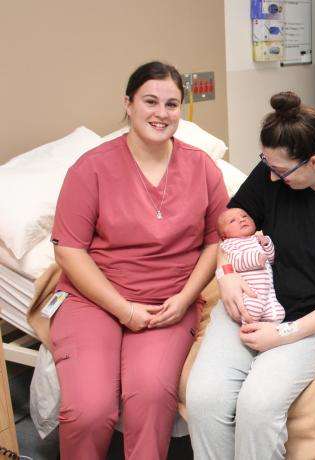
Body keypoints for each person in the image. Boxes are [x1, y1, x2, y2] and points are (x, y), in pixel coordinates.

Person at [186, 91, 315, 459]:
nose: (273, 178)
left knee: (258, 406)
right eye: (267, 165)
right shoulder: (270, 174)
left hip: (314, 322)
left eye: (281, 170)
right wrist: (226, 274)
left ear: (314, 162)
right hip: (250, 303)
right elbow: (229, 231)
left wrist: (282, 334)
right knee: (203, 399)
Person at [49, 61, 228, 459]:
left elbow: (216, 241)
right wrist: (123, 309)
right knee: (89, 409)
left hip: (168, 303)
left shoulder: (201, 166)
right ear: (128, 104)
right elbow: (69, 250)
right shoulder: (91, 168)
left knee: (150, 397)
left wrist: (184, 299)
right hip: (93, 300)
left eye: (172, 104)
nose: (161, 114)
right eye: (150, 101)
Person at [217, 207, 285, 322]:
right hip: (251, 291)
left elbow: (271, 259)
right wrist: (256, 259)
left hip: (269, 292)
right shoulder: (229, 244)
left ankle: (268, 331)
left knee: (278, 315)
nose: (242, 220)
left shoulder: (257, 239)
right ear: (224, 236)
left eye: (244, 216)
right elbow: (236, 261)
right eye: (232, 221)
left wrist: (267, 244)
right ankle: (249, 329)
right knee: (251, 311)